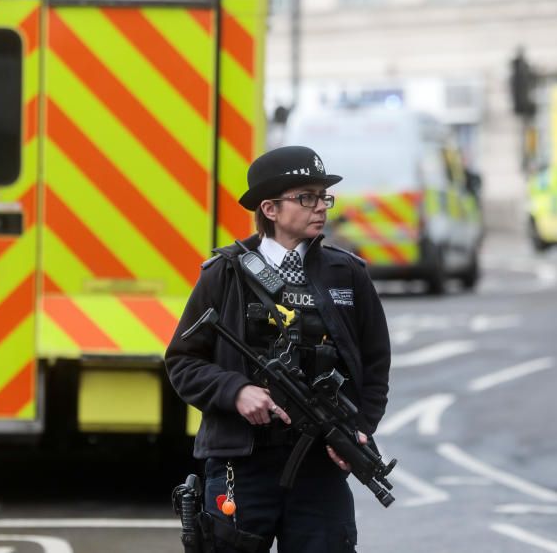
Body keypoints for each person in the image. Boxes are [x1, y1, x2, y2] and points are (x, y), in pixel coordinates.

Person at [166, 145, 391, 553]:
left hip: (321, 465)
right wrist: (234, 390)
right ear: (269, 209)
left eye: (324, 196)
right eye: (306, 197)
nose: (320, 207)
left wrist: (359, 429)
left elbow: (375, 366)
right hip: (242, 461)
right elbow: (183, 360)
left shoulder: (348, 274)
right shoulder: (225, 274)